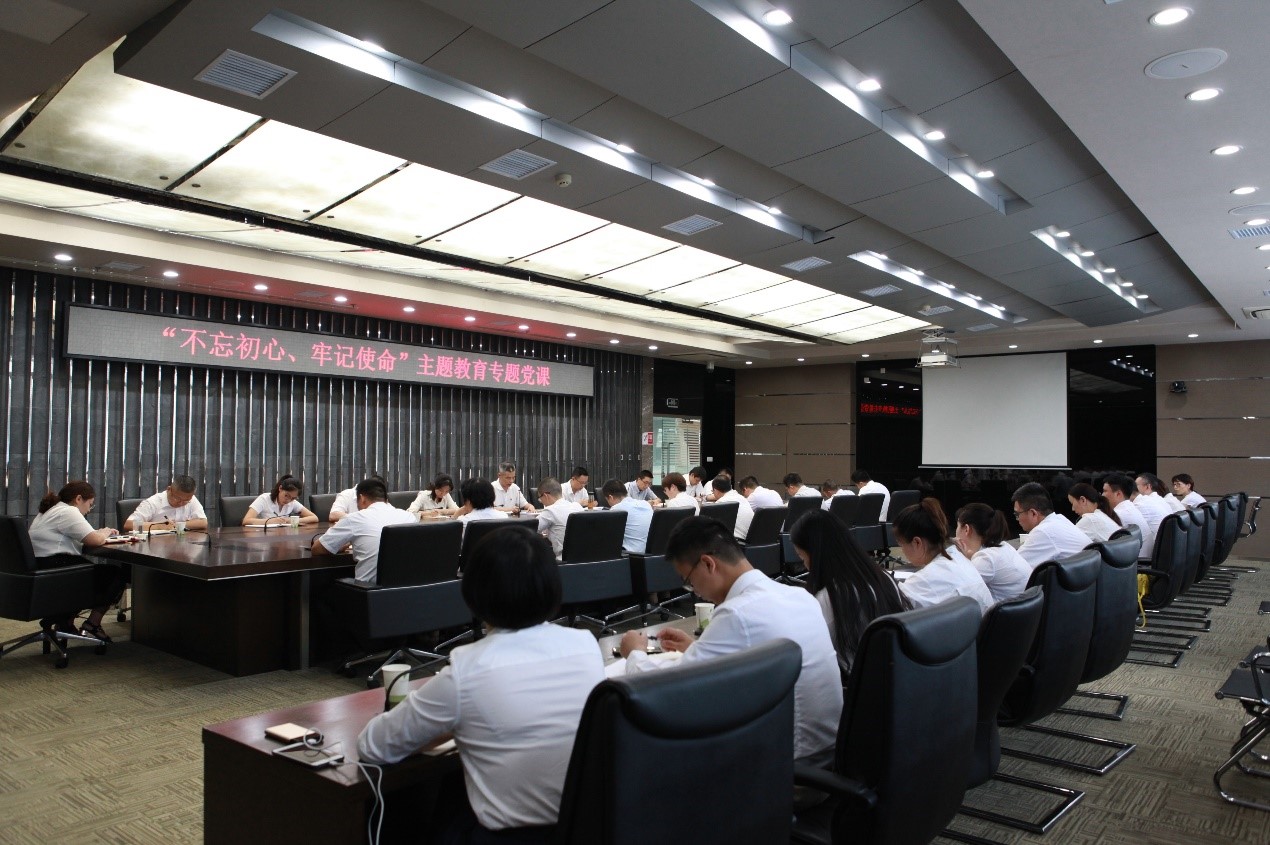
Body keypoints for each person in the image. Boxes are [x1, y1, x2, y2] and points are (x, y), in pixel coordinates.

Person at [358, 527, 604, 843]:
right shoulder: (585, 644)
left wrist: (450, 726)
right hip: (585, 828)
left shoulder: (467, 667)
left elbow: (373, 746)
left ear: (473, 592)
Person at [618, 517, 841, 766]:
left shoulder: (736, 613)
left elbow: (668, 694)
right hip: (828, 751)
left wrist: (635, 653)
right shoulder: (800, 597)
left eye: (689, 581)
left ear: (708, 564)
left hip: (790, 767)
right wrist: (698, 648)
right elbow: (757, 653)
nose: (695, 592)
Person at [791, 509, 909, 676]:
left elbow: (808, 654)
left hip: (858, 682)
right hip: (898, 674)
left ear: (816, 555)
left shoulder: (830, 597)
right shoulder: (883, 578)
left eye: (802, 557)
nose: (805, 565)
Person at [28, 481, 127, 641]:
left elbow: (76, 536)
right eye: (90, 504)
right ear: (78, 499)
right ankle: (92, 623)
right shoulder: (68, 511)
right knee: (116, 575)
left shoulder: (50, 511)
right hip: (59, 571)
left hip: (43, 571)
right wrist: (105, 532)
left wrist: (97, 534)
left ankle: (65, 621)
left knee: (99, 572)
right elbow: (95, 540)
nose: (88, 510)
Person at [891, 499, 994, 615]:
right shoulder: (958, 557)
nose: (902, 550)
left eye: (901, 544)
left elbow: (891, 608)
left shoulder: (924, 581)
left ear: (917, 542)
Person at [311, 478, 416, 582]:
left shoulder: (354, 518)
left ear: (361, 498)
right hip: (409, 587)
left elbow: (317, 549)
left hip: (368, 588)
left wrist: (338, 547)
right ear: (385, 499)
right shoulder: (409, 517)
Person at [954, 503, 1033, 604]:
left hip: (1005, 612)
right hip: (1025, 609)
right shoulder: (1003, 546)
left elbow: (956, 590)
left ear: (966, 529)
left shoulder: (985, 558)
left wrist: (962, 560)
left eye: (957, 526)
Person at [1011, 482, 1090, 568]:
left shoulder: (1042, 532)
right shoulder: (1060, 519)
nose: (1017, 519)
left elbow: (1014, 567)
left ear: (1033, 513)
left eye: (1017, 514)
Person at [123, 474, 208, 531]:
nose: (181, 503)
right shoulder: (153, 502)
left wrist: (177, 525)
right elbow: (129, 525)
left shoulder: (191, 499)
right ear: (169, 490)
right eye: (177, 498)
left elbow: (203, 522)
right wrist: (159, 526)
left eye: (186, 501)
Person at [1102, 474, 1154, 561]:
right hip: (1140, 561)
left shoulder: (1119, 514)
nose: (1102, 495)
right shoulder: (1130, 508)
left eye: (1105, 491)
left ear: (1118, 494)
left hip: (1137, 564)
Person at [534, 478, 584, 558]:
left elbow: (530, 529)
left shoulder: (550, 511)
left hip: (562, 560)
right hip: (583, 558)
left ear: (546, 495)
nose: (541, 501)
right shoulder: (577, 506)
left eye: (540, 498)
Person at [244, 474, 318, 526]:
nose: (288, 500)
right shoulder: (264, 499)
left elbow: (314, 518)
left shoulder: (292, 502)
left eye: (293, 498)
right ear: (280, 488)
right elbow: (246, 520)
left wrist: (292, 520)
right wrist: (269, 521)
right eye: (286, 496)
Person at [602, 478, 653, 554]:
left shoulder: (616, 509)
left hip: (631, 555)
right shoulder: (645, 504)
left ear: (610, 497)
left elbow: (608, 535)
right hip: (651, 553)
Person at [709, 475, 754, 541]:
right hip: (750, 539)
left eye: (712, 491)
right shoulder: (741, 498)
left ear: (715, 490)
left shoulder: (721, 503)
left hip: (737, 542)